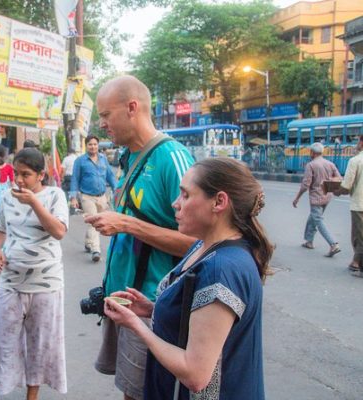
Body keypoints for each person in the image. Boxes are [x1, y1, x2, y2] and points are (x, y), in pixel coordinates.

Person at [105, 157, 273, 399]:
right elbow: (200, 322)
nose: (175, 204)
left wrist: (134, 326)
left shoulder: (221, 270)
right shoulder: (205, 247)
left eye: (185, 195)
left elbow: (196, 374)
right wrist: (152, 309)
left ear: (219, 201)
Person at [84, 75, 195, 400]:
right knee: (131, 391)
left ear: (132, 108)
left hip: (151, 304)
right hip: (124, 298)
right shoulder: (130, 157)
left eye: (106, 115)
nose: (101, 124)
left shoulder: (171, 158)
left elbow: (200, 245)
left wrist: (126, 225)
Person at [0, 148, 68, 399]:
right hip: (11, 281)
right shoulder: (8, 198)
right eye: (16, 174)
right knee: (2, 343)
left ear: (41, 175)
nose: (18, 180)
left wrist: (34, 202)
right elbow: (0, 229)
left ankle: (32, 395)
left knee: (39, 345)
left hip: (46, 284)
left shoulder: (55, 196)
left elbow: (59, 231)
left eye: (26, 175)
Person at [69, 135, 117, 262]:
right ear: (86, 146)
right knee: (94, 221)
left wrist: (117, 190)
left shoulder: (103, 159)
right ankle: (96, 250)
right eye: (90, 144)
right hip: (86, 197)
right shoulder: (80, 161)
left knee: (98, 221)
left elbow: (110, 176)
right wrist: (73, 198)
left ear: (98, 145)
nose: (93, 146)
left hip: (102, 197)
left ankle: (88, 242)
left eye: (95, 144)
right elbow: (75, 179)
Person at [292, 142, 341, 257]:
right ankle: (309, 241)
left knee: (318, 220)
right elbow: (339, 177)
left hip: (316, 198)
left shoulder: (311, 165)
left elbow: (305, 185)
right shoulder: (330, 164)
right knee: (313, 218)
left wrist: (297, 198)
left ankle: (333, 244)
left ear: (312, 153)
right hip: (327, 196)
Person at [333, 135, 363, 276]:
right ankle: (356, 262)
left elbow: (346, 186)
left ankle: (359, 265)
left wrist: (337, 192)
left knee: (359, 237)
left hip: (360, 205)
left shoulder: (355, 160)